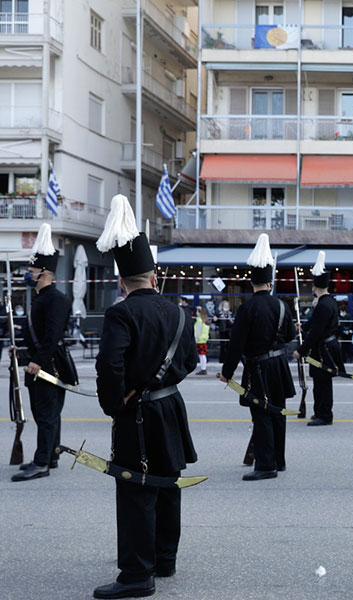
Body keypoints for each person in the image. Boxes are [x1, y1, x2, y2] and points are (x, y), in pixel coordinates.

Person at [92, 194, 199, 599]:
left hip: (137, 412)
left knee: (136, 489)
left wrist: (115, 404)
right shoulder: (178, 311)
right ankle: (164, 558)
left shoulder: (120, 313)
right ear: (154, 277)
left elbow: (109, 365)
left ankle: (138, 574)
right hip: (171, 406)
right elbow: (190, 360)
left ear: (122, 282)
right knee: (167, 483)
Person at [218, 234, 296, 481]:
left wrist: (227, 372)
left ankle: (265, 465)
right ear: (270, 283)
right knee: (278, 412)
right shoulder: (282, 306)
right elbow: (290, 335)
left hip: (258, 367)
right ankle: (278, 460)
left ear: (252, 282)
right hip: (279, 364)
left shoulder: (247, 308)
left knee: (261, 414)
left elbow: (236, 345)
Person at [11, 223, 76, 482]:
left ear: (44, 273)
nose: (28, 275)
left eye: (31, 272)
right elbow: (35, 333)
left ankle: (42, 463)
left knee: (47, 415)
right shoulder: (41, 297)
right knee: (44, 415)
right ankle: (51, 455)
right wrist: (20, 349)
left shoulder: (56, 299)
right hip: (38, 362)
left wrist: (38, 361)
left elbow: (52, 335)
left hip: (49, 365)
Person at [293, 251, 341, 427]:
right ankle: (319, 410)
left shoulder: (323, 304)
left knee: (323, 382)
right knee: (319, 381)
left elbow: (317, 332)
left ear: (315, 287)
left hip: (323, 349)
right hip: (323, 347)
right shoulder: (327, 302)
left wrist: (301, 350)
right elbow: (314, 323)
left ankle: (325, 415)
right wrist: (303, 327)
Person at [194, 306, 211, 375]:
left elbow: (197, 332)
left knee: (201, 355)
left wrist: (195, 339)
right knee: (202, 355)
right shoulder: (206, 321)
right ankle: (203, 368)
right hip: (204, 340)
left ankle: (203, 369)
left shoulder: (199, 321)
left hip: (199, 340)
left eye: (197, 312)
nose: (196, 313)